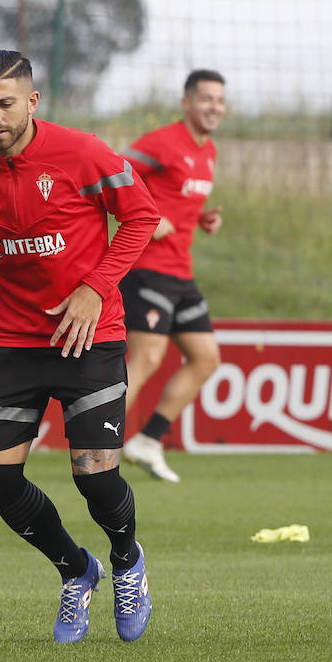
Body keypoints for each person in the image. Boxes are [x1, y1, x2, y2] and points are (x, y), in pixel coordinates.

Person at [0, 49, 161, 644]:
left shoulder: (82, 153)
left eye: (5, 104)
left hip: (89, 336)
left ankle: (127, 560)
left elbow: (141, 216)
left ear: (32, 101)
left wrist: (95, 287)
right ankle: (77, 569)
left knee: (95, 476)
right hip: (8, 340)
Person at [118, 70, 227, 483]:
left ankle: (148, 441)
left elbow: (178, 200)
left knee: (206, 358)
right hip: (147, 268)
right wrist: (148, 215)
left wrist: (203, 219)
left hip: (180, 272)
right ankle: (97, 447)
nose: (214, 107)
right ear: (187, 103)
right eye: (206, 99)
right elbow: (114, 172)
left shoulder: (208, 151)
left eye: (220, 100)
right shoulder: (163, 142)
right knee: (146, 358)